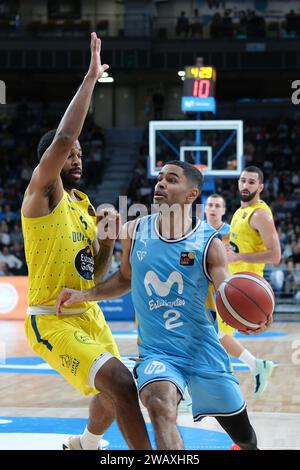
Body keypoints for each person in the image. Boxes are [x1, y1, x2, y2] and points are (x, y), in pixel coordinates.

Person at [56, 161, 267, 450]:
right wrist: (84, 295)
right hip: (159, 353)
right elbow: (124, 279)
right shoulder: (134, 231)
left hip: (203, 352)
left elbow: (227, 293)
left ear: (192, 194)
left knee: (246, 440)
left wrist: (252, 319)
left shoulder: (209, 242)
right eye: (160, 178)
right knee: (158, 402)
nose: (161, 184)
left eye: (171, 179)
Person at [21, 33, 151, 451]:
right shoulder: (43, 194)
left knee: (110, 394)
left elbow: (91, 274)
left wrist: (108, 242)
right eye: (70, 153)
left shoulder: (83, 205)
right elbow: (60, 140)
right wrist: (91, 78)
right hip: (52, 317)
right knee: (119, 379)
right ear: (53, 162)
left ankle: (85, 445)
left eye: (80, 152)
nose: (77, 156)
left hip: (85, 310)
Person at [205, 192, 279, 397]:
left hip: (235, 292)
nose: (212, 208)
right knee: (213, 338)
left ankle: (221, 388)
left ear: (223, 210)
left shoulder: (233, 232)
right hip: (212, 292)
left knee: (212, 337)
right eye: (209, 204)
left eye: (216, 205)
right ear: (205, 208)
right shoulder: (199, 232)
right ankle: (253, 366)